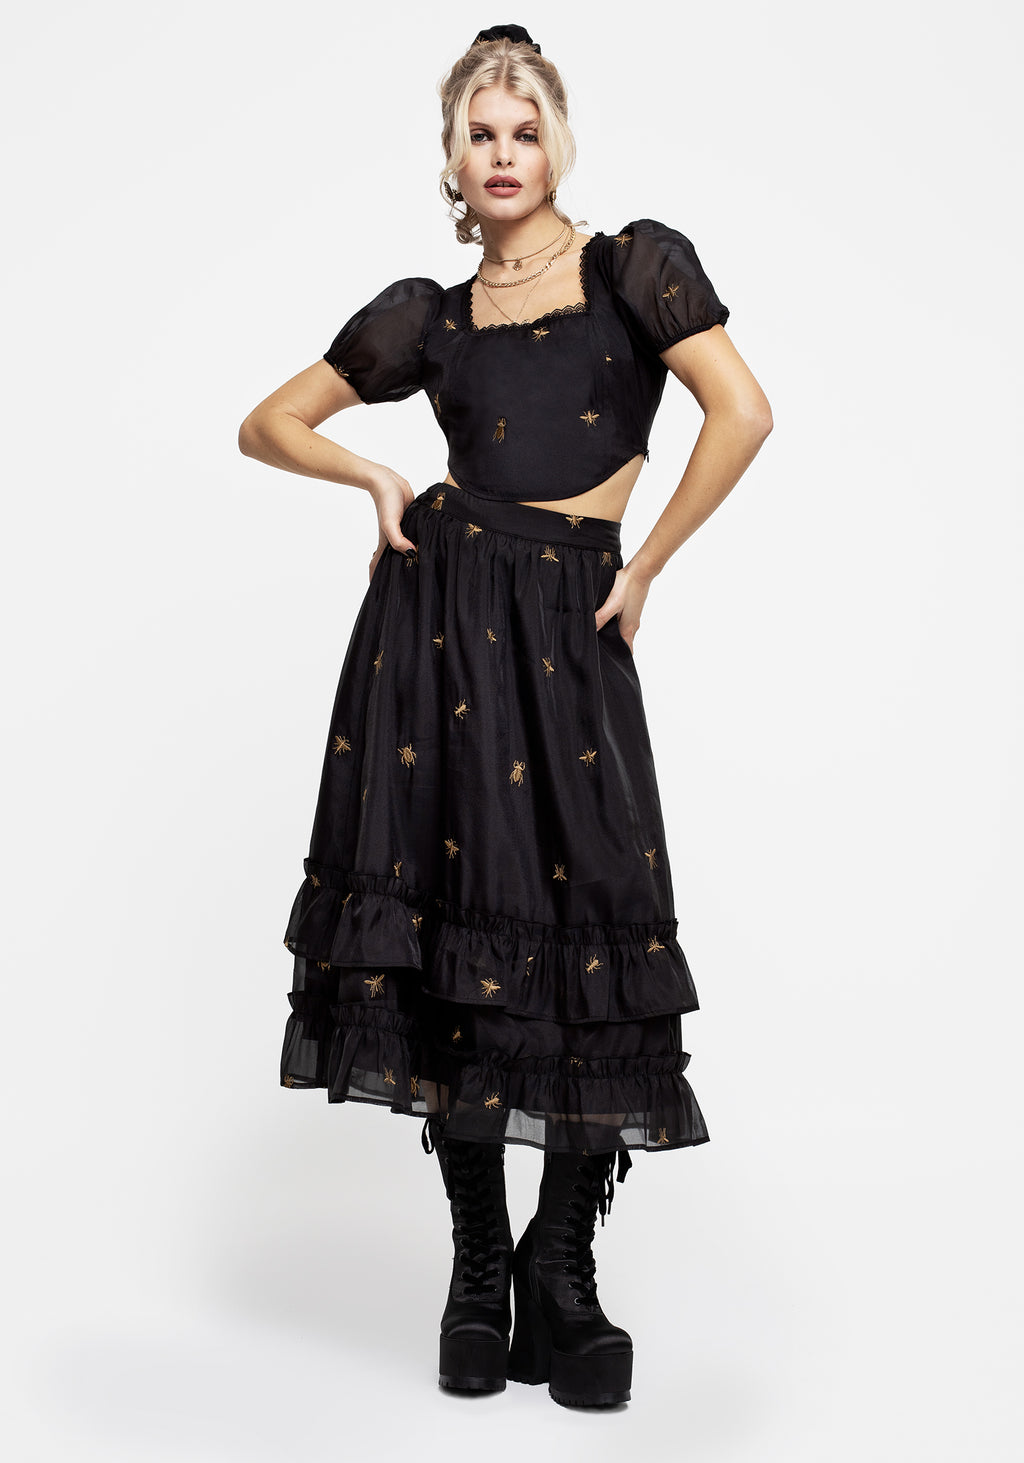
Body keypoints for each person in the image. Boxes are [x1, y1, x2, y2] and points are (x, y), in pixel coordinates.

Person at [238, 22, 772, 1409]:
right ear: (451, 158)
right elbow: (268, 423)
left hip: (573, 619)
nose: (503, 154)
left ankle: (563, 1270)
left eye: (524, 131)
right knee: (454, 933)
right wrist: (375, 479)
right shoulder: (430, 313)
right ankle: (480, 1266)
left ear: (559, 143)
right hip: (443, 628)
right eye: (480, 134)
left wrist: (645, 566)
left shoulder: (634, 269)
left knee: (597, 913)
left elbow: (742, 413)